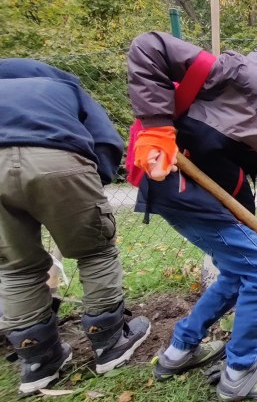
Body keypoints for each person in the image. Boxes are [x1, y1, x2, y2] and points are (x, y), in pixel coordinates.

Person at [127, 14, 257, 400]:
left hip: (211, 200)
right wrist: (156, 128)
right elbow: (148, 47)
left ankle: (179, 350)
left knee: (238, 272)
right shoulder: (239, 72)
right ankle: (241, 372)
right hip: (180, 183)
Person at [0, 59, 151, 395]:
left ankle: (38, 361)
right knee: (95, 251)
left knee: (15, 268)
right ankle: (109, 343)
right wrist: (91, 184)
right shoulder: (65, 86)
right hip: (58, 159)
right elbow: (106, 140)